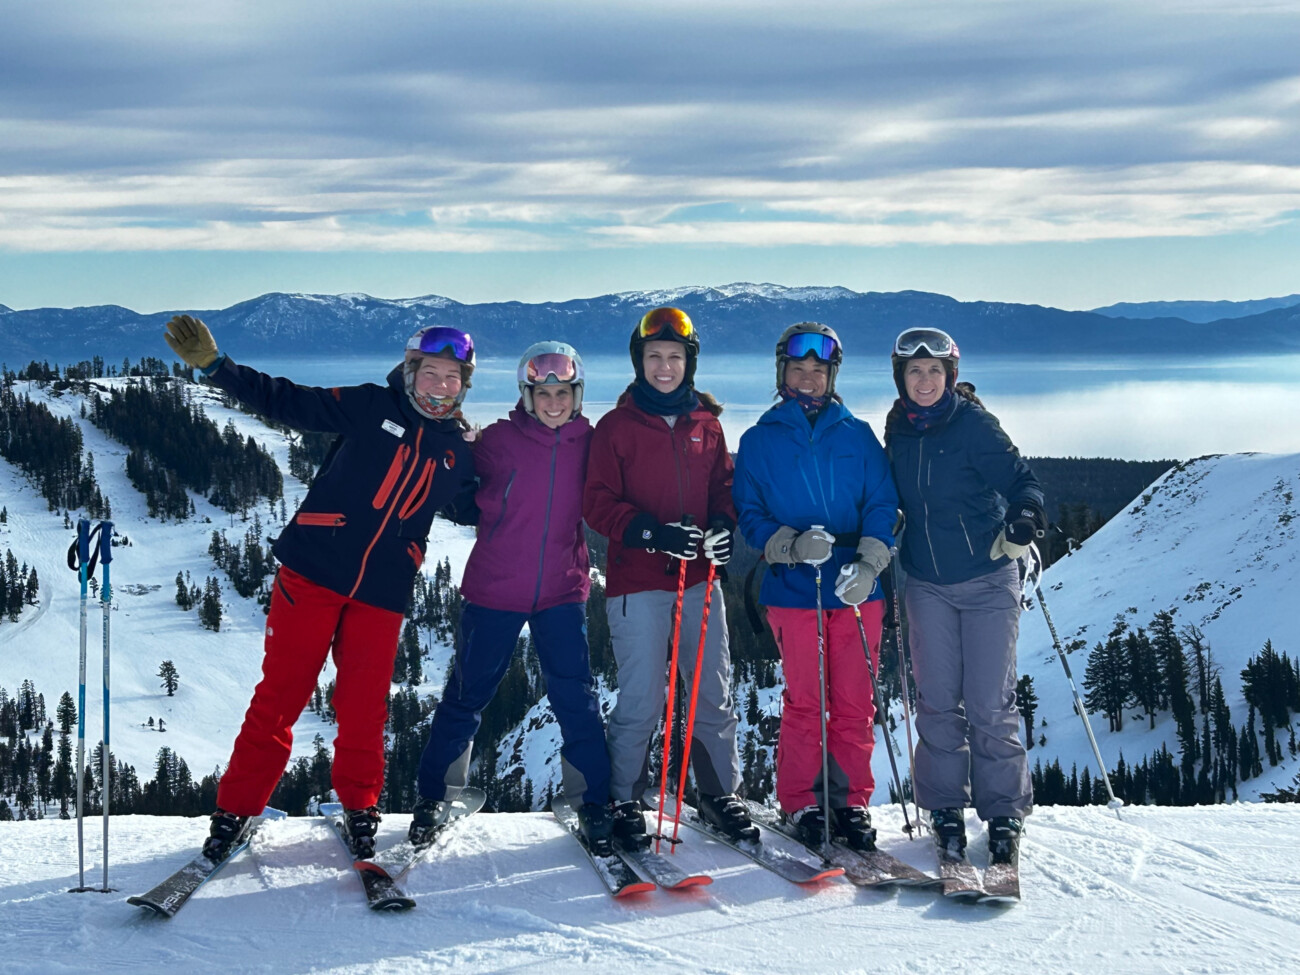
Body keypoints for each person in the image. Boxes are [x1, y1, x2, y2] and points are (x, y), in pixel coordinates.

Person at [163, 315, 477, 861]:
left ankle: (360, 808)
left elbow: (477, 507)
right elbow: (290, 401)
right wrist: (218, 367)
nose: (442, 385)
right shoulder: (370, 406)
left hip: (382, 592)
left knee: (364, 707)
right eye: (432, 372)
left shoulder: (456, 450)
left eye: (454, 377)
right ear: (410, 372)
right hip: (312, 573)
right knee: (280, 697)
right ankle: (235, 811)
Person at [410, 342, 615, 853]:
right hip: (495, 589)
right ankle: (435, 796)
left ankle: (594, 801)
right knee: (467, 694)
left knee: (576, 697)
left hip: (561, 591)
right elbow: (449, 468)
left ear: (577, 394)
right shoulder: (497, 441)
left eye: (563, 392)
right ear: (526, 395)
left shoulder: (591, 442)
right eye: (542, 392)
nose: (553, 402)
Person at [582, 306, 755, 846]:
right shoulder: (615, 428)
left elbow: (723, 489)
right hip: (638, 584)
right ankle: (625, 796)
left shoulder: (707, 424)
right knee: (641, 699)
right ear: (639, 362)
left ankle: (716, 792)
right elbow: (596, 502)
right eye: (654, 356)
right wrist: (650, 533)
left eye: (674, 357)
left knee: (711, 693)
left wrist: (723, 526)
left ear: (690, 363)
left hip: (700, 581)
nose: (664, 366)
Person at [883, 326, 1045, 868]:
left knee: (989, 702)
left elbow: (1023, 481)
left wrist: (1024, 518)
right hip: (926, 582)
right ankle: (945, 807)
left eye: (934, 371)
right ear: (901, 378)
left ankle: (1002, 813)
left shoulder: (974, 424)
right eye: (914, 371)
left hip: (986, 579)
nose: (924, 380)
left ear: (950, 376)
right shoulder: (898, 430)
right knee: (935, 701)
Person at [732, 323, 898, 850]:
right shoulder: (759, 440)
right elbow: (749, 515)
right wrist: (789, 546)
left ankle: (850, 804)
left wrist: (870, 565)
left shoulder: (858, 435)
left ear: (832, 376)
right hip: (793, 588)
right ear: (782, 373)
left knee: (853, 702)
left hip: (856, 587)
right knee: (806, 701)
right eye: (798, 369)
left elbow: (881, 504)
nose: (808, 379)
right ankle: (802, 801)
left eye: (818, 371)